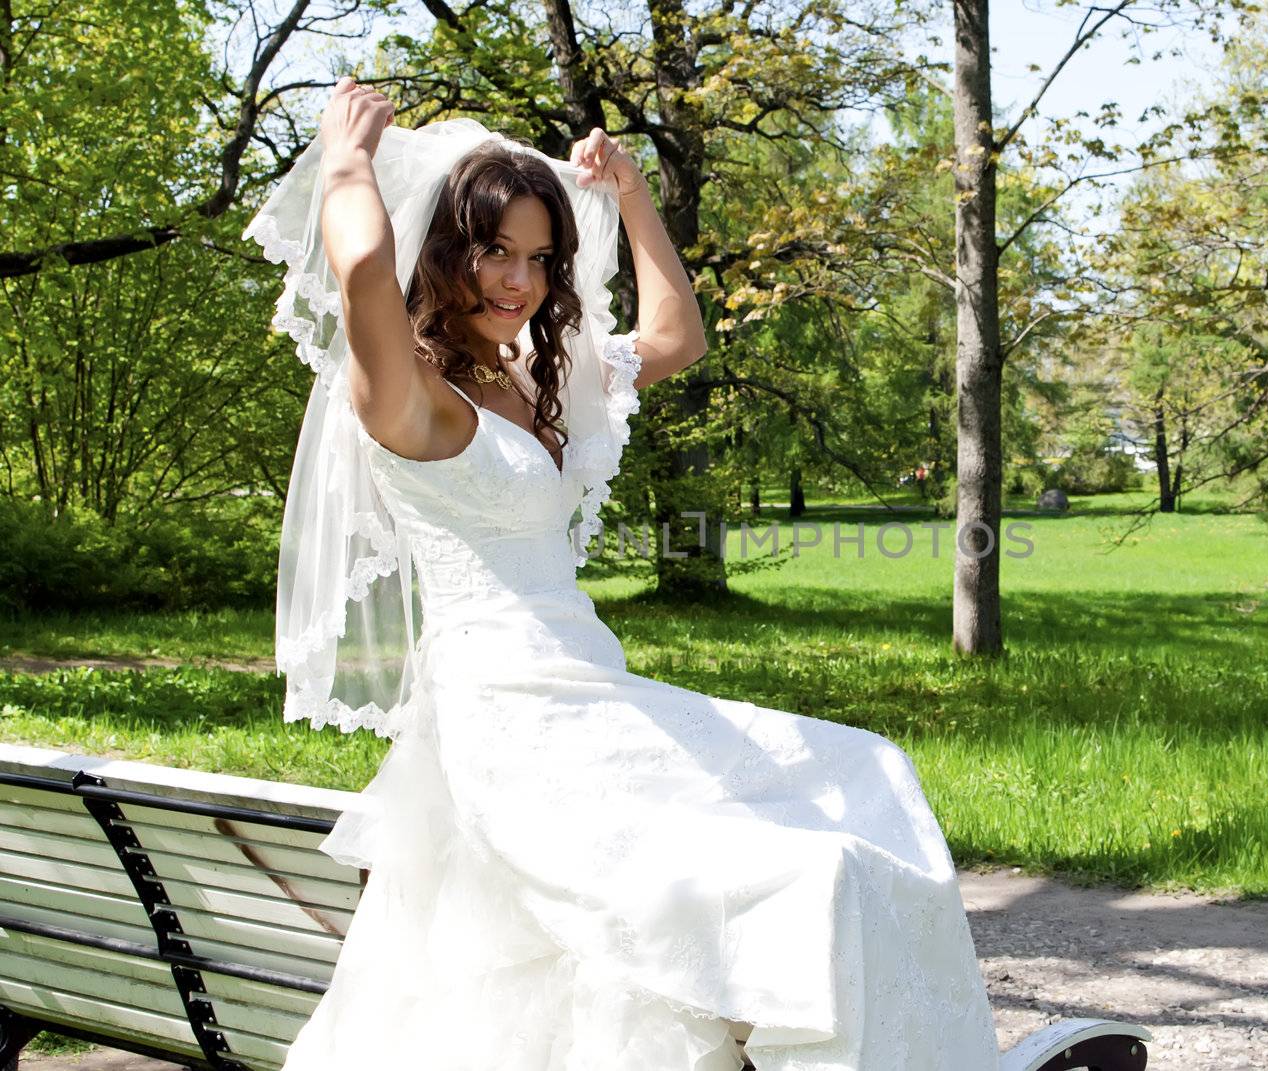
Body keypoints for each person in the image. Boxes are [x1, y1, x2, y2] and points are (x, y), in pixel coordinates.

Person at [254, 77, 1001, 1071]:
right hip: (507, 718)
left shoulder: (535, 373)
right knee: (805, 871)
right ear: (440, 247)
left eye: (538, 256)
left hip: (589, 689)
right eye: (492, 250)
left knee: (871, 772)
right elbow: (359, 279)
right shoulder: (410, 401)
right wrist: (346, 164)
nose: (517, 280)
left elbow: (675, 338)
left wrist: (634, 199)